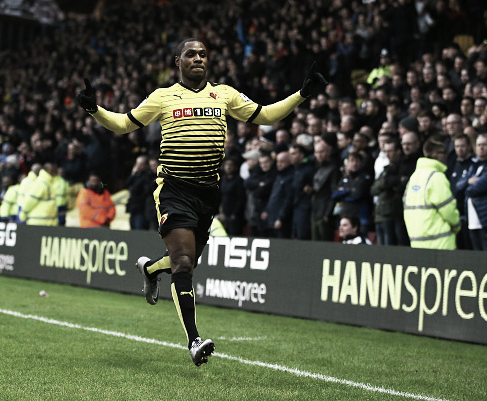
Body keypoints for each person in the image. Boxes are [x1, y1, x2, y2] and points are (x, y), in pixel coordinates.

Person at [75, 38, 328, 366]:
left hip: (208, 192)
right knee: (182, 262)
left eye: (203, 54)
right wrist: (95, 110)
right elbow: (124, 124)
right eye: (191, 54)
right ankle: (194, 340)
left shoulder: (225, 93)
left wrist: (302, 94)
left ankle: (151, 269)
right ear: (177, 61)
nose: (198, 59)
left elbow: (265, 116)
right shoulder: (163, 97)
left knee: (187, 262)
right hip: (173, 189)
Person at [403, 136, 460, 249]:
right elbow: (448, 209)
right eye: (444, 153)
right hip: (440, 242)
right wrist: (456, 225)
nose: (445, 156)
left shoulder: (414, 176)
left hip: (417, 241)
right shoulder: (436, 177)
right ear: (437, 155)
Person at [370, 138, 403, 245]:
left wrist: (387, 183)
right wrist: (386, 184)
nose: (387, 155)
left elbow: (398, 184)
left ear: (398, 151)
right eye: (385, 152)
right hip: (380, 214)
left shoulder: (401, 167)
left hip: (392, 215)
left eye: (390, 151)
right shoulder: (386, 169)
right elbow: (373, 189)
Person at [125, 154, 154, 230]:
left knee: (139, 230)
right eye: (137, 163)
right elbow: (127, 185)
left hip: (141, 209)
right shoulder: (136, 175)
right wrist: (132, 174)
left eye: (140, 164)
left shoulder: (147, 176)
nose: (138, 166)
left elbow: (135, 189)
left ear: (146, 165)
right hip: (133, 208)